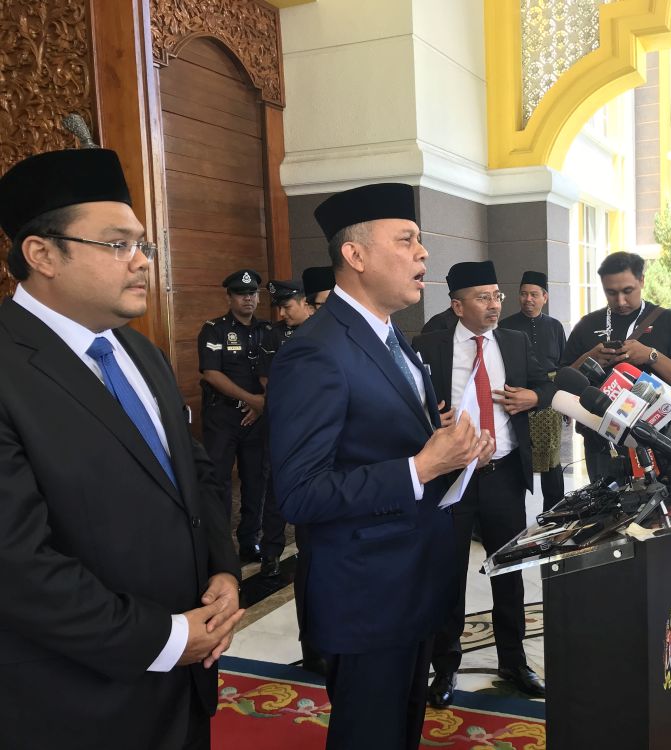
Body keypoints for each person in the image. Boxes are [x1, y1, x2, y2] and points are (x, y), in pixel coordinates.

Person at [0, 148, 243, 749]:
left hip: (186, 680)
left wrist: (223, 570)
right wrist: (162, 638)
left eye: (143, 246)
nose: (141, 263)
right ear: (41, 254)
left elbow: (197, 476)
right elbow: (16, 563)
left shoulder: (138, 352)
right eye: (117, 245)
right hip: (74, 700)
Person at [266, 183, 494, 750]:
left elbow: (388, 442)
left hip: (413, 581)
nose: (423, 254)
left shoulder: (395, 339)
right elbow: (299, 493)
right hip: (365, 593)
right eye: (408, 239)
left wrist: (454, 452)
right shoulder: (316, 349)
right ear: (356, 255)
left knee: (402, 732)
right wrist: (419, 466)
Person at [413, 261, 554, 709]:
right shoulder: (430, 345)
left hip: (503, 476)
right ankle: (447, 665)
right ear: (457, 305)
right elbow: (410, 404)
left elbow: (546, 385)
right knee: (448, 574)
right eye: (482, 298)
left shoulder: (512, 341)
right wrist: (428, 420)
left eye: (497, 296)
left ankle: (513, 660)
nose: (495, 305)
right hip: (452, 478)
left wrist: (534, 398)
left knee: (508, 572)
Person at [562, 251, 671, 480]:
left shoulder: (668, 321)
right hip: (602, 444)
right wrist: (589, 359)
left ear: (642, 281)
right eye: (611, 293)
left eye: (628, 291)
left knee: (664, 510)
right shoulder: (587, 325)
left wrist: (651, 356)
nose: (620, 301)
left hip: (659, 438)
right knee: (609, 512)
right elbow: (563, 383)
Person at [197, 270, 271, 561]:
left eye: (253, 293)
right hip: (223, 417)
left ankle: (249, 540)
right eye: (242, 294)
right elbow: (211, 373)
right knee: (219, 482)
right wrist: (252, 400)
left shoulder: (267, 330)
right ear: (229, 297)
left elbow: (278, 369)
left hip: (257, 419)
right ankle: (219, 545)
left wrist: (261, 404)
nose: (248, 299)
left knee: (256, 481)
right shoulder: (214, 329)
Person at [257, 279, 314, 577]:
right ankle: (271, 552)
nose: (282, 313)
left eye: (287, 306)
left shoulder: (323, 332)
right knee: (276, 488)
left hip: (315, 425)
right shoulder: (273, 336)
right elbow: (267, 380)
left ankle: (311, 546)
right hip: (283, 423)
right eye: (279, 307)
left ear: (306, 303)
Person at [500, 270, 567, 510]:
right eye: (523, 294)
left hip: (549, 400)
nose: (528, 299)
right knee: (517, 457)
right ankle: (512, 513)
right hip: (517, 397)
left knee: (552, 461)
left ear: (545, 297)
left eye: (534, 294)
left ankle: (555, 513)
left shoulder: (555, 326)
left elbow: (563, 365)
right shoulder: (506, 326)